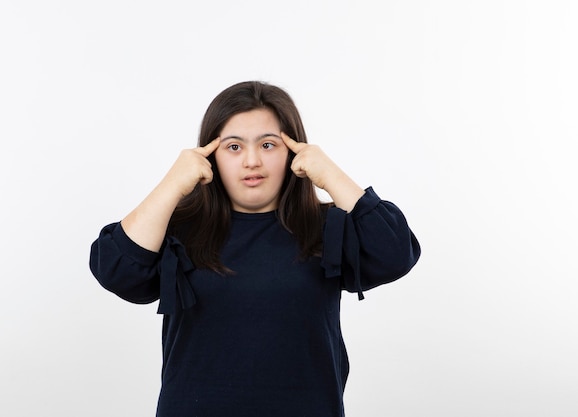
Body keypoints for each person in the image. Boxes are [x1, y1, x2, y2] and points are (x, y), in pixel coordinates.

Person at [89, 80, 421, 417]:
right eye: (234, 147)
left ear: (293, 151)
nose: (251, 161)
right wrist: (172, 185)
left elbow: (396, 253)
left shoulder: (327, 227)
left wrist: (330, 174)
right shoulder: (175, 229)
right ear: (210, 155)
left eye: (268, 145)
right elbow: (116, 271)